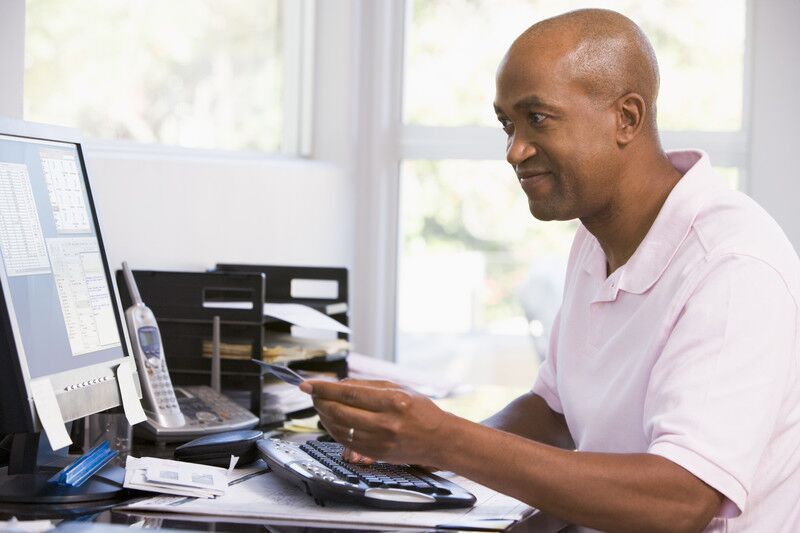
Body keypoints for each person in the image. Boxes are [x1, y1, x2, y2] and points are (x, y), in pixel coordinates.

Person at [299, 8, 800, 532]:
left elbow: (681, 500)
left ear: (626, 117)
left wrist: (448, 439)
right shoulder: (595, 237)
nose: (515, 150)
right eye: (507, 124)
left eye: (537, 118)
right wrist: (420, 448)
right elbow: (555, 413)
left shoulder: (734, 266)